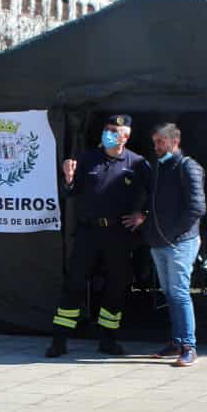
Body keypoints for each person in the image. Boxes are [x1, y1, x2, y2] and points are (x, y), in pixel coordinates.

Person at [45, 114, 151, 357]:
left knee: (115, 287)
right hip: (88, 232)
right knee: (74, 285)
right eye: (107, 129)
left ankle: (108, 340)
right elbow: (70, 193)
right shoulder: (88, 158)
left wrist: (142, 215)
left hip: (118, 234)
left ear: (126, 136)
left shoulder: (137, 163)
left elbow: (156, 195)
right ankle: (59, 341)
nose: (109, 133)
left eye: (115, 130)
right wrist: (69, 179)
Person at [142, 123, 206, 368]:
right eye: (155, 142)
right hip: (160, 242)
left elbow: (197, 208)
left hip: (181, 242)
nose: (156, 146)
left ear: (174, 141)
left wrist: (173, 235)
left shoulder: (188, 166)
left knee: (179, 292)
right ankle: (176, 342)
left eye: (160, 142)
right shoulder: (160, 167)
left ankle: (189, 346)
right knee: (170, 293)